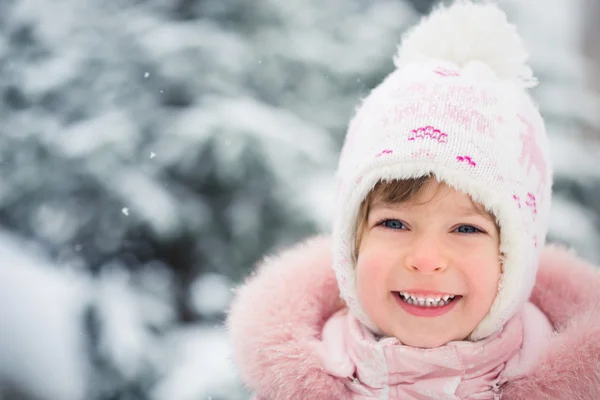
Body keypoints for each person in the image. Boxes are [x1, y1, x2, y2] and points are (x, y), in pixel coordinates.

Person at [226, 1, 600, 399]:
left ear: (516, 258)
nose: (425, 258)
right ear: (352, 242)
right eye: (394, 223)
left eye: (466, 228)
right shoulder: (287, 389)